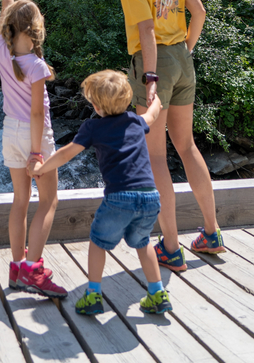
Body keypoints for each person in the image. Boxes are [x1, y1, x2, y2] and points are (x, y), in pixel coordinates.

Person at [118, 0, 226, 272]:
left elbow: (146, 30)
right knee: (187, 145)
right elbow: (200, 13)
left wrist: (150, 76)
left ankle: (170, 247)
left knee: (155, 157)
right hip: (182, 57)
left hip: (154, 64)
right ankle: (211, 233)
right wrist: (186, 51)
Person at [29, 70, 172, 315]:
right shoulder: (135, 121)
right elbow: (152, 114)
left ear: (95, 106)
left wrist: (41, 168)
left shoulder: (93, 127)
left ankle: (93, 295)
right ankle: (157, 293)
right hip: (150, 197)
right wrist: (155, 99)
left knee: (98, 241)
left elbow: (67, 153)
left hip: (119, 197)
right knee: (143, 242)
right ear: (128, 100)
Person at [0, 0, 67, 298]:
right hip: (34, 134)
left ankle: (16, 266)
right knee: (49, 200)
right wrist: (38, 153)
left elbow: (6, 7)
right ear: (36, 29)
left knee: (20, 201)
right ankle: (32, 270)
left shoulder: (2, 48)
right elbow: (38, 113)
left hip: (10, 130)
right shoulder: (36, 67)